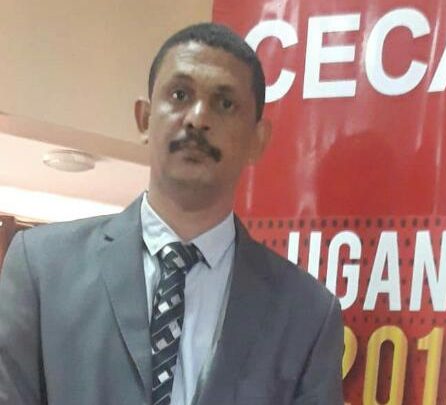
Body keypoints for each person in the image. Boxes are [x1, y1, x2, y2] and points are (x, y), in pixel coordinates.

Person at [0, 23, 344, 405]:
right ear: (144, 118)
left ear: (257, 140)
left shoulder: (307, 314)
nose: (198, 118)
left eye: (224, 104)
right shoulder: (42, 268)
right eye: (180, 95)